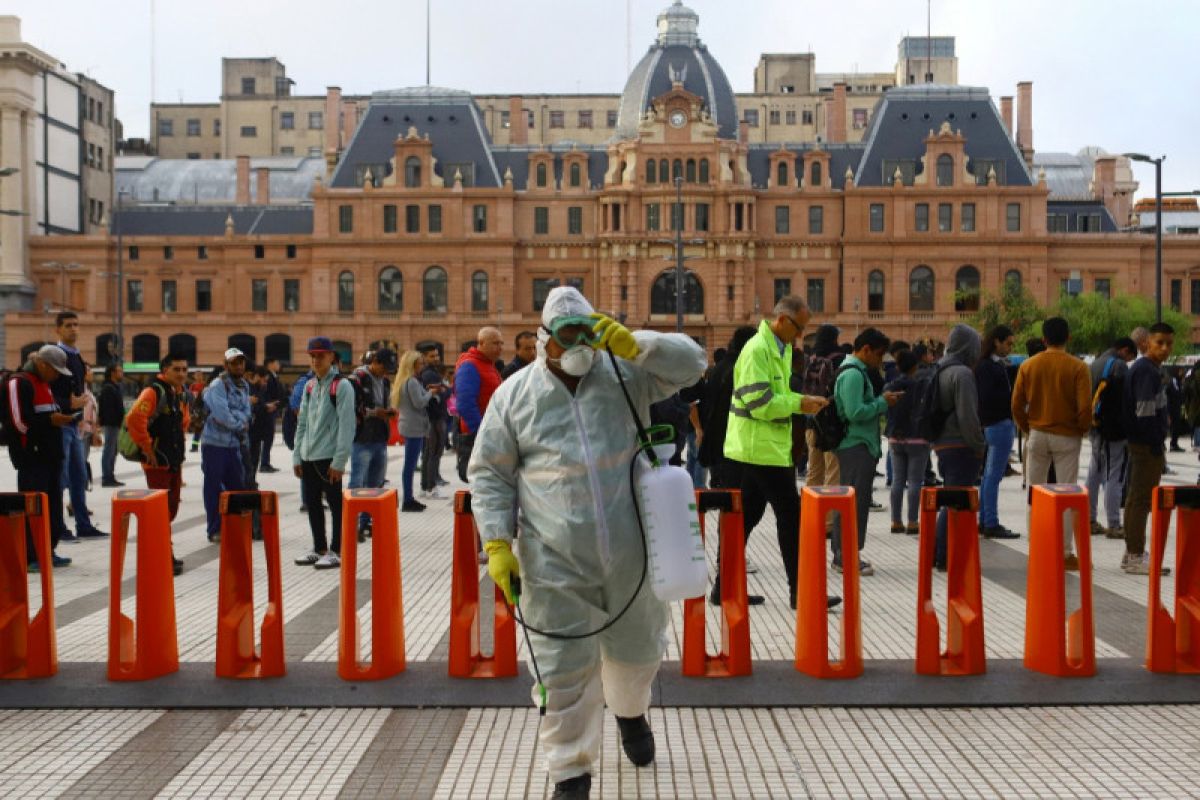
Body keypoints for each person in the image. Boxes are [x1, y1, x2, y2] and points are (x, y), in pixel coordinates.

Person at [470, 286, 706, 800]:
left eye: (588, 332)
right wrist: (495, 542)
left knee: (636, 654)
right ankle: (571, 771)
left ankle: (630, 713)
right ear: (543, 340)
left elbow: (693, 365)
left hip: (631, 551)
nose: (579, 344)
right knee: (560, 670)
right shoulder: (515, 396)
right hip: (553, 559)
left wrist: (636, 344)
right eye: (568, 334)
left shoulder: (624, 375)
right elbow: (490, 473)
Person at [724, 296, 837, 608]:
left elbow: (780, 395)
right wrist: (799, 403)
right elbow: (760, 404)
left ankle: (724, 586)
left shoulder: (780, 349)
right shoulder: (758, 350)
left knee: (747, 517)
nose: (801, 335)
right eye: (799, 328)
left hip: (765, 447)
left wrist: (802, 399)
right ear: (783, 321)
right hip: (758, 447)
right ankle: (801, 592)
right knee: (791, 516)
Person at [1011, 317, 1092, 569]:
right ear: (1068, 337)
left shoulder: (1028, 365)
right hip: (1067, 436)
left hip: (1037, 433)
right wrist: (1080, 429)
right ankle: (1065, 553)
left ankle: (1037, 548)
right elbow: (1085, 408)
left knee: (1035, 493)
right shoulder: (1078, 367)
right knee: (1066, 493)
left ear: (1044, 339)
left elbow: (1016, 404)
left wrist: (1028, 427)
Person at [831, 328, 902, 575]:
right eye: (879, 354)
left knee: (852, 502)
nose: (879, 360)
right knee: (854, 504)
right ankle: (847, 556)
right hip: (855, 445)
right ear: (866, 349)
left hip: (859, 445)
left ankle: (844, 553)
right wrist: (883, 402)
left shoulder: (857, 371)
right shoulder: (853, 375)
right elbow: (854, 412)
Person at [3, 345, 77, 570]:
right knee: (32, 507)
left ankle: (47, 549)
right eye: (54, 370)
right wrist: (50, 422)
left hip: (51, 457)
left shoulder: (45, 384)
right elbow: (17, 423)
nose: (56, 376)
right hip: (31, 458)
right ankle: (30, 556)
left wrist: (60, 418)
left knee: (51, 505)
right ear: (42, 364)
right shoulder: (19, 382)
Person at [932, 325, 1000, 568]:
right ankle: (945, 556)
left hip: (942, 442)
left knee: (952, 497)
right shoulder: (962, 374)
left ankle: (940, 553)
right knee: (956, 501)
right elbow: (968, 416)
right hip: (960, 444)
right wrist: (979, 445)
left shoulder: (941, 368)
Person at [292, 337, 357, 570]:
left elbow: (347, 425)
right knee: (313, 503)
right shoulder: (310, 386)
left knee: (335, 503)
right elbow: (302, 424)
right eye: (312, 356)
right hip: (309, 456)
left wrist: (339, 461)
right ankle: (319, 547)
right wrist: (297, 455)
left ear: (331, 357)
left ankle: (337, 550)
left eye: (320, 355)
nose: (316, 360)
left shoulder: (341, 386)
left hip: (329, 457)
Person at [125, 353, 190, 576]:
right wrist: (147, 447)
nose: (181, 374)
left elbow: (183, 422)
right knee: (159, 511)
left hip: (172, 461)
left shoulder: (179, 393)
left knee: (170, 509)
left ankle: (162, 551)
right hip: (157, 462)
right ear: (165, 370)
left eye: (184, 369)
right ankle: (161, 556)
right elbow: (134, 418)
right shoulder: (154, 391)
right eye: (176, 369)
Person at [1123, 322, 1175, 575]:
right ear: (1146, 343)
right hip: (1145, 444)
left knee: (1137, 498)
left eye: (1169, 343)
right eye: (1159, 343)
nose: (1165, 348)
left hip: (1143, 442)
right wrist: (1155, 442)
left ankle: (1132, 552)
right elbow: (1144, 412)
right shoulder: (1147, 371)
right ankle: (1134, 555)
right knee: (1140, 500)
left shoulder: (1149, 369)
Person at [51, 312, 106, 540]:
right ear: (58, 330)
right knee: (60, 478)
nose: (74, 329)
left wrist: (88, 423)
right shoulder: (55, 355)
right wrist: (67, 404)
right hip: (61, 424)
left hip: (75, 425)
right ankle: (59, 528)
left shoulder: (77, 356)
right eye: (68, 325)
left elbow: (82, 393)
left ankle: (83, 525)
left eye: (76, 325)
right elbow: (48, 393)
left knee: (78, 475)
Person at [1086, 337, 1137, 539]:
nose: (1129, 361)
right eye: (1130, 356)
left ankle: (1089, 519)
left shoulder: (1095, 363)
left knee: (1094, 472)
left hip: (1095, 427)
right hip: (1114, 431)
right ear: (1125, 350)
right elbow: (1124, 401)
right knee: (1115, 475)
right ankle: (1114, 524)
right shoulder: (1119, 366)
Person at [201, 349, 252, 544]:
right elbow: (222, 415)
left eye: (241, 362)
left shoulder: (244, 385)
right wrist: (240, 422)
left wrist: (237, 418)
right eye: (234, 363)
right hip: (214, 443)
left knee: (237, 487)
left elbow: (246, 411)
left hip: (234, 444)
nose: (239, 366)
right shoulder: (217, 385)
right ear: (226, 365)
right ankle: (214, 529)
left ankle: (234, 525)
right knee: (213, 488)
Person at [975, 325, 1019, 539]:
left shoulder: (983, 365)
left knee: (988, 475)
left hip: (989, 425)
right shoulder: (991, 367)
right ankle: (990, 521)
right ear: (996, 342)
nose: (1010, 348)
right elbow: (993, 398)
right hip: (999, 423)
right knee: (993, 476)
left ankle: (985, 519)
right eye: (1008, 343)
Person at [348, 348, 396, 533]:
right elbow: (353, 409)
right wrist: (377, 412)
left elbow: (383, 403)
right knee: (357, 482)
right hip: (362, 437)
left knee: (376, 484)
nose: (386, 372)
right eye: (384, 367)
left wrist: (387, 411)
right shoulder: (357, 379)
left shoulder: (384, 381)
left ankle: (366, 521)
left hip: (379, 436)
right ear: (374, 361)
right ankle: (351, 521)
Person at [394, 349, 445, 511]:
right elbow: (420, 402)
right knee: (410, 464)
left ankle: (409, 497)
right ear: (413, 364)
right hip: (414, 427)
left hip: (410, 425)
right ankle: (408, 499)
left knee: (410, 463)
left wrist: (429, 390)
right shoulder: (412, 382)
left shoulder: (406, 381)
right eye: (420, 363)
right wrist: (430, 392)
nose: (423, 365)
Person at [884, 350, 928, 535]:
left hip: (895, 436)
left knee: (897, 481)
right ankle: (912, 521)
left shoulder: (890, 386)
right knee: (915, 481)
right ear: (915, 366)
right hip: (918, 437)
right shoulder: (922, 385)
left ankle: (895, 521)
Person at [453, 327, 503, 482]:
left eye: (501, 343)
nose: (500, 348)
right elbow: (465, 403)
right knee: (482, 482)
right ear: (481, 343)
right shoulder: (470, 366)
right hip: (479, 435)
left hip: (490, 432)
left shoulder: (488, 365)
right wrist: (481, 432)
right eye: (495, 343)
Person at [801, 324, 842, 488]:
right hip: (832, 422)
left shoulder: (810, 358)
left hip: (812, 420)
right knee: (833, 472)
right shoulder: (839, 358)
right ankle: (829, 512)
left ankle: (808, 511)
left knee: (814, 471)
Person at [416, 342, 449, 498]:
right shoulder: (430, 375)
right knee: (434, 453)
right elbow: (439, 395)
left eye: (437, 355)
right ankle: (431, 487)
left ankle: (425, 487)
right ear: (423, 357)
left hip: (431, 418)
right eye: (432, 356)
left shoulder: (426, 373)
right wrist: (446, 391)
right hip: (434, 418)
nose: (436, 358)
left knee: (429, 453)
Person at [98, 364, 125, 487]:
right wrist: (116, 422)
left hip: (114, 424)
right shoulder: (109, 388)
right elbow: (108, 409)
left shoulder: (114, 387)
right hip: (111, 424)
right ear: (112, 373)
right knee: (109, 450)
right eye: (120, 371)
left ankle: (110, 476)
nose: (122, 373)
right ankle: (107, 477)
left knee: (112, 450)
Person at [258, 357, 286, 472]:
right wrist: (268, 405)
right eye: (277, 362)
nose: (278, 364)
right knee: (267, 437)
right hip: (267, 410)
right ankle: (264, 463)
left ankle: (265, 462)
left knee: (269, 438)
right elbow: (265, 393)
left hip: (272, 409)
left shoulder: (274, 376)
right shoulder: (267, 377)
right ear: (270, 364)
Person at [79, 366, 99, 491]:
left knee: (82, 463)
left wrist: (95, 432)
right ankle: (74, 501)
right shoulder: (81, 391)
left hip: (87, 431)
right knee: (80, 465)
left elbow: (93, 413)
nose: (92, 373)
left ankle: (75, 500)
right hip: (81, 432)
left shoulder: (88, 391)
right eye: (89, 370)